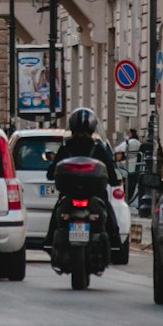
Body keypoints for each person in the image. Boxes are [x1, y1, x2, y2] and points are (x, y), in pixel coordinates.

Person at [47, 107, 120, 251]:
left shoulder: (66, 149)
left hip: (69, 195)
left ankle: (49, 240)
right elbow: (111, 174)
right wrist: (114, 180)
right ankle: (115, 241)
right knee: (108, 213)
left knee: (57, 213)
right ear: (93, 129)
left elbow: (51, 173)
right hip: (95, 195)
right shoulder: (98, 149)